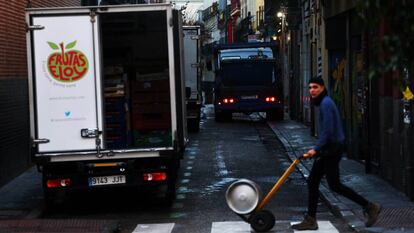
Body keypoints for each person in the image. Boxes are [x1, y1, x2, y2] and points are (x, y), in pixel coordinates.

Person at [291, 77, 381, 231]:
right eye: (310, 87)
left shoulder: (326, 104)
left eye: (315, 87)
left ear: (323, 88)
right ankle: (311, 219)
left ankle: (369, 206)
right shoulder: (325, 103)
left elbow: (328, 130)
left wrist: (316, 149)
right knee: (317, 182)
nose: (312, 90)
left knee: (332, 184)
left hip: (330, 149)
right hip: (330, 149)